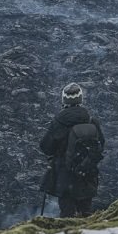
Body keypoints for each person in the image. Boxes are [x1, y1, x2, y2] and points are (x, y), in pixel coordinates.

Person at [39, 82, 105, 218]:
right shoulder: (92, 121)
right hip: (87, 174)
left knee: (67, 214)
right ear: (80, 99)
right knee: (86, 213)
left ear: (64, 100)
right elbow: (100, 145)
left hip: (65, 177)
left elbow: (46, 147)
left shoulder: (59, 123)